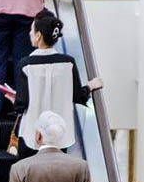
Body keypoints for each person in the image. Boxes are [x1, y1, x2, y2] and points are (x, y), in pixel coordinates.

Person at [13, 9, 104, 159]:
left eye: (32, 30)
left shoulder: (25, 65)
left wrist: (13, 100)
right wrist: (91, 86)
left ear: (38, 36)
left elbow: (22, 103)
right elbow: (78, 96)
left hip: (32, 132)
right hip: (60, 135)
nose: (29, 33)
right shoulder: (68, 63)